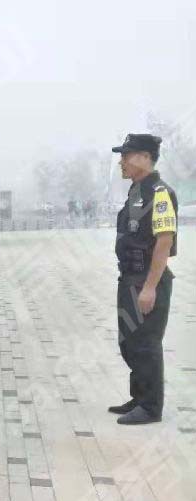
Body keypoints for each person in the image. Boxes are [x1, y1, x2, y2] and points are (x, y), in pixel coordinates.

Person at [109, 133, 177, 425]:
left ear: (146, 157)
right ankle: (139, 397)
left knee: (146, 343)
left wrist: (149, 287)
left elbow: (164, 241)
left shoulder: (159, 193)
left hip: (148, 280)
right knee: (130, 342)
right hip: (130, 278)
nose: (122, 162)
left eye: (126, 155)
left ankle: (150, 407)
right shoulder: (137, 191)